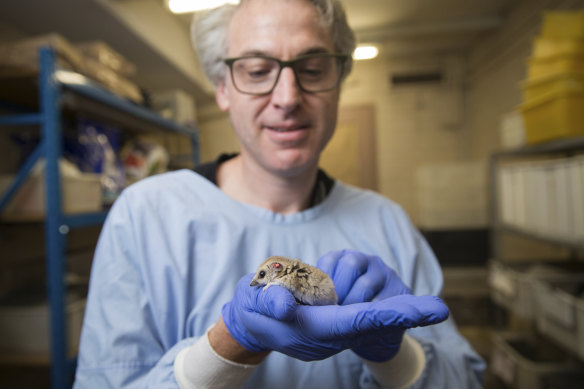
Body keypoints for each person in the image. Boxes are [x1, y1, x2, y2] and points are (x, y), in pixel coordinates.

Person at [73, 0, 486, 388]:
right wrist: (223, 350)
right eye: (256, 71)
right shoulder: (146, 215)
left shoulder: (388, 223)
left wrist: (396, 358)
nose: (287, 98)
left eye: (313, 68)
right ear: (222, 89)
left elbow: (465, 378)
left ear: (339, 82)